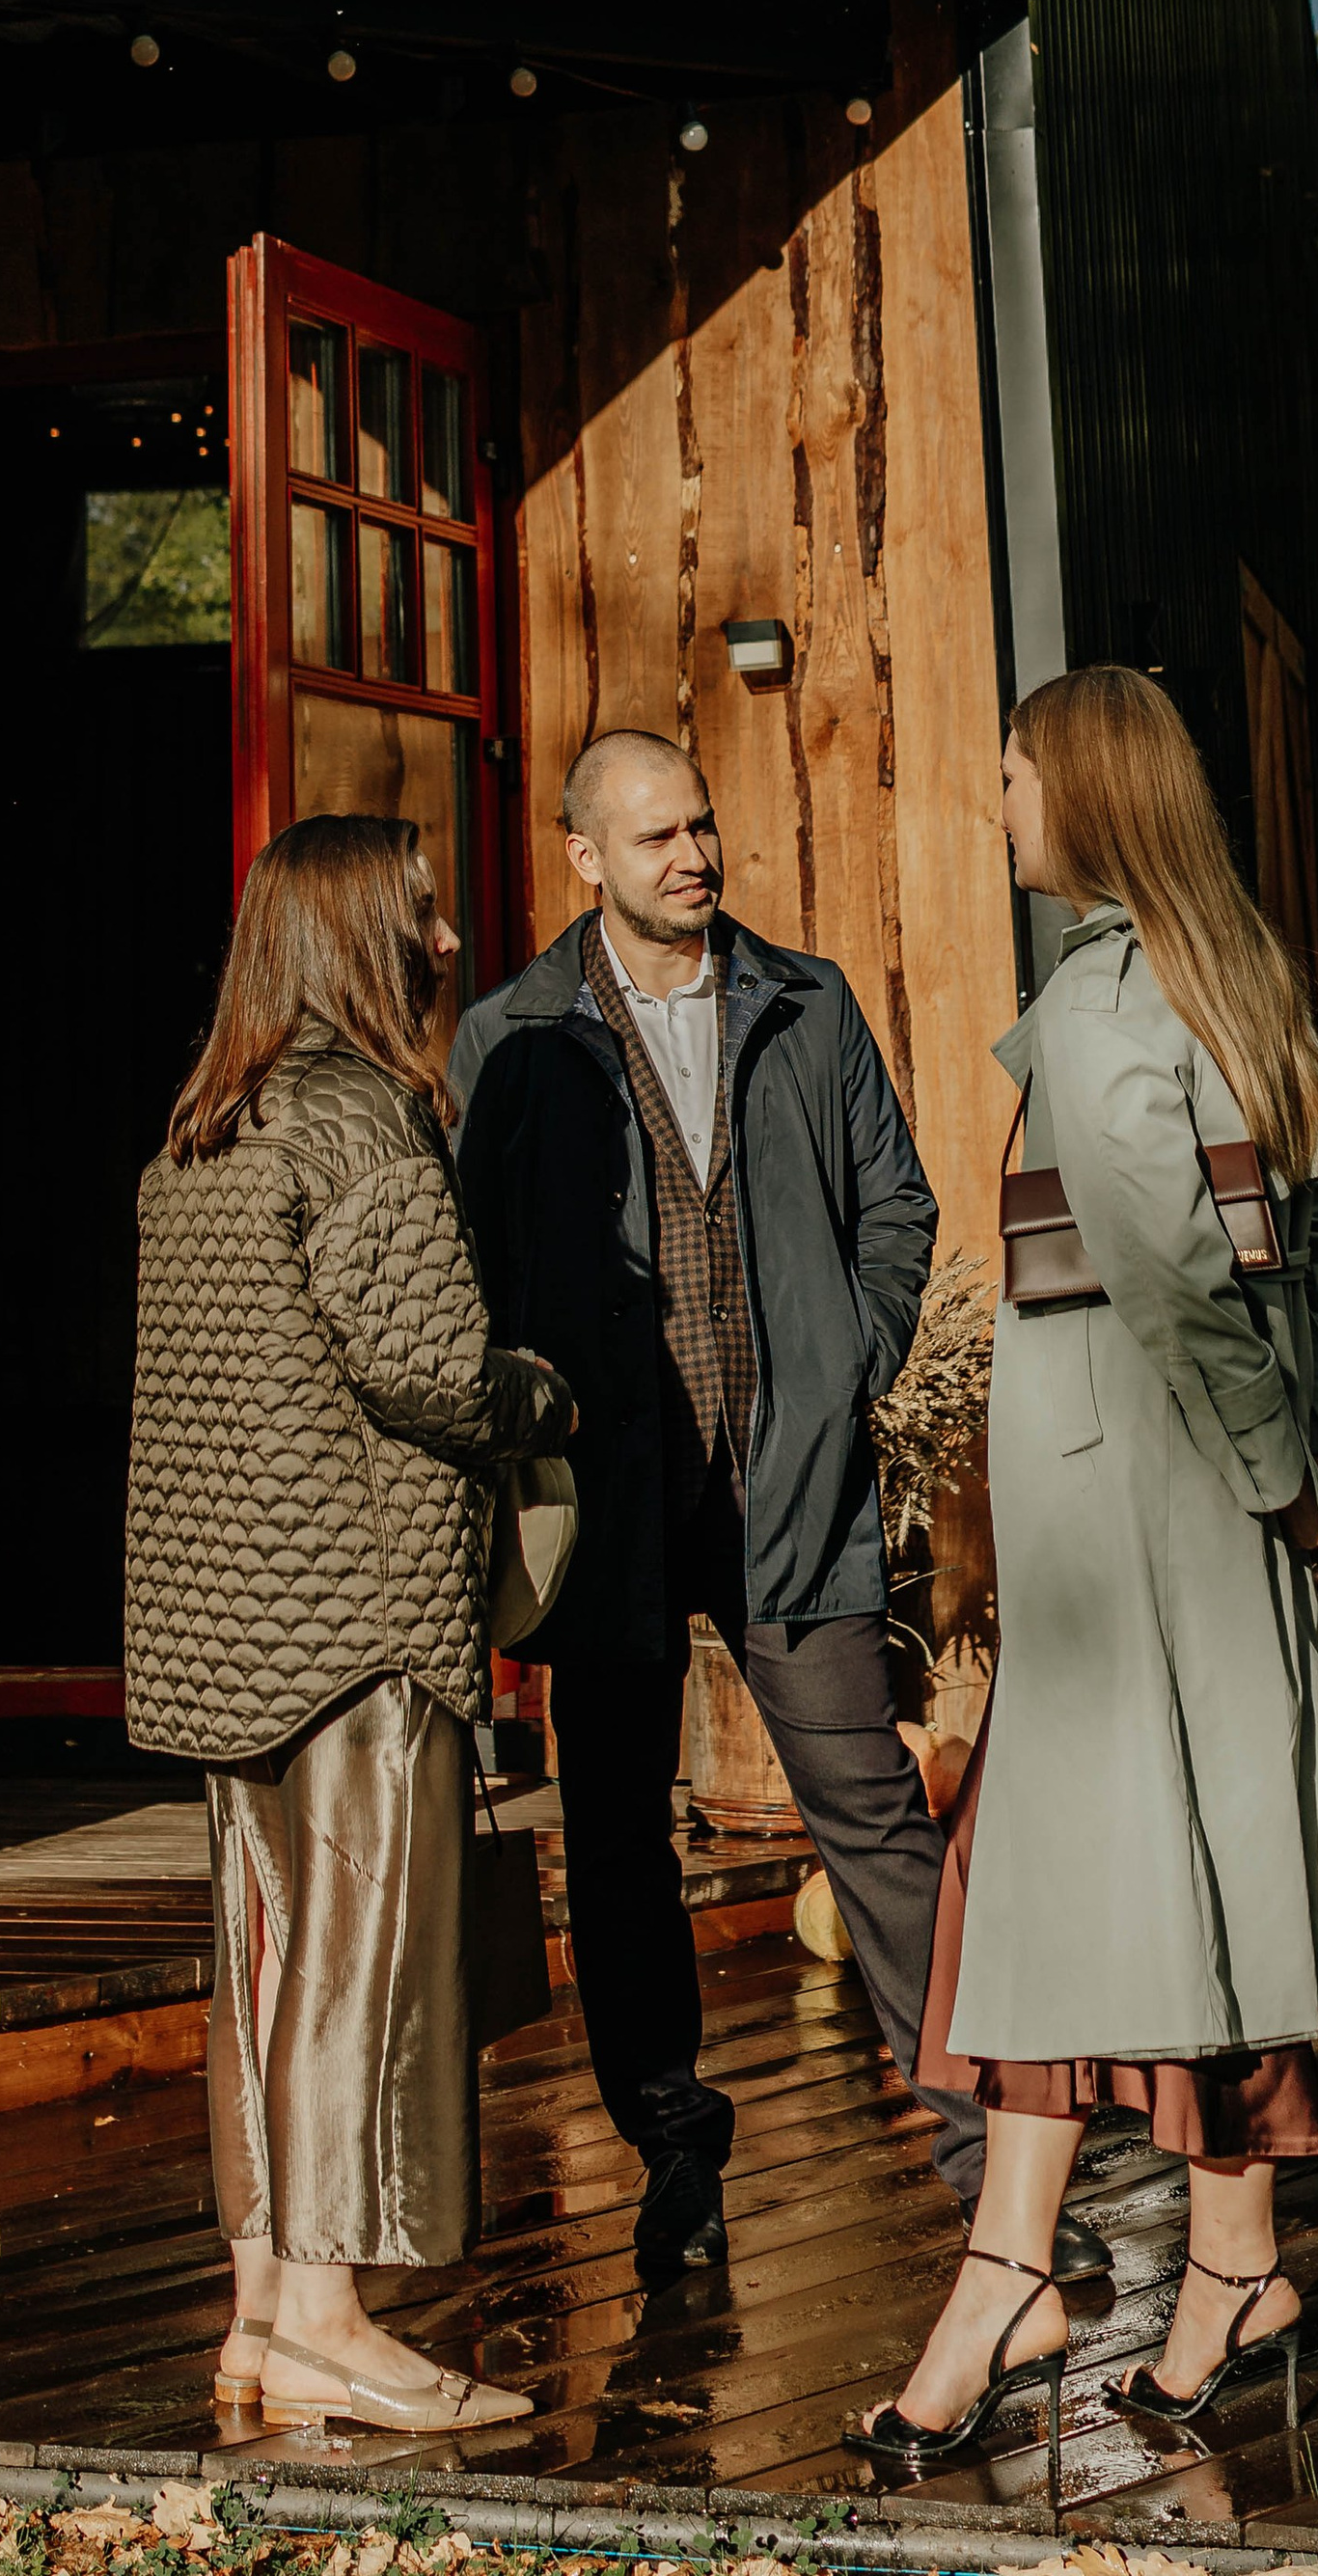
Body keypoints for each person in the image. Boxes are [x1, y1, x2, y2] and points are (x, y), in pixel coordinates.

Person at [850, 666, 1318, 2493]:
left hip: (1142, 1529)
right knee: (1193, 1882)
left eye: (1011, 777)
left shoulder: (1100, 1012)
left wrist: (1270, 1475)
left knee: (1049, 1892)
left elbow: (1164, 1282)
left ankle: (1017, 2278)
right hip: (1210, 1523)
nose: (997, 808)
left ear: (1079, 794)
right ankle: (1215, 2267)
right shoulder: (1234, 980)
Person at [451, 730, 1058, 2280]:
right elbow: (472, 1267)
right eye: (654, 838)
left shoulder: (805, 1000)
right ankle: (673, 2153)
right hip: (606, 1511)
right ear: (585, 856)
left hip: (791, 1494)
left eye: (701, 827)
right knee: (617, 1846)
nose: (692, 858)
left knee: (871, 1822)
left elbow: (897, 1207)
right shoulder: (514, 1034)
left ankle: (990, 2160)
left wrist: (844, 1367)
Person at [124, 813, 571, 2434]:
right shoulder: (363, 1120)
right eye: (427, 920)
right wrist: (544, 1386)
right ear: (350, 941)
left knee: (267, 1965)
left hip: (233, 1630)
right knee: (365, 1970)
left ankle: (260, 2308)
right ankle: (330, 2318)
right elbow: (434, 1372)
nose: (451, 945)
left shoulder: (205, 1125)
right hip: (362, 1618)